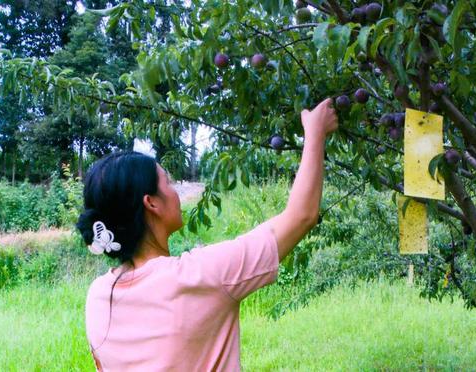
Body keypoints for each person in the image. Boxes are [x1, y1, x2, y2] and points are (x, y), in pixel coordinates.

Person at [76, 98, 338, 371]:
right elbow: (301, 216)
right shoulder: (200, 276)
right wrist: (316, 131)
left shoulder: (98, 296)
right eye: (168, 182)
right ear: (151, 202)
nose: (175, 192)